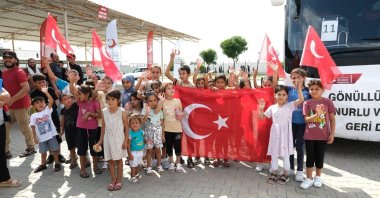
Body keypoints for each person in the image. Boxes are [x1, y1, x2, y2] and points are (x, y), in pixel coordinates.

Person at [259, 83, 304, 185]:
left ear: (287, 96)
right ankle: (274, 173)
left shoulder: (290, 105)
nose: (281, 97)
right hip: (275, 134)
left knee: (286, 155)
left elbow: (301, 100)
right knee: (274, 154)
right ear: (275, 95)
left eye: (284, 94)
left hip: (286, 135)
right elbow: (262, 117)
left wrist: (299, 88)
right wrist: (261, 109)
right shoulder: (272, 107)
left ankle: (286, 174)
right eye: (279, 94)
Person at [300, 80, 336, 189]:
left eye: (317, 89)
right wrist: (317, 114)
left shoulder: (328, 102)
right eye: (311, 89)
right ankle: (309, 178)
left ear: (322, 90)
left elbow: (332, 119)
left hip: (323, 136)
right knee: (310, 157)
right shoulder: (307, 103)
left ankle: (318, 177)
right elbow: (306, 120)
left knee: (320, 157)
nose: (314, 91)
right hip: (309, 135)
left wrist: (332, 134)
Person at [2, 51, 36, 158]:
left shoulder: (19, 72)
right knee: (5, 128)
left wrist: (12, 99)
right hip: (8, 106)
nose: (7, 60)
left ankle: (31, 148)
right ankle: (6, 151)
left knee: (24, 127)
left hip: (21, 105)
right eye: (5, 58)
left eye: (10, 58)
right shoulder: (4, 72)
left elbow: (26, 89)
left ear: (15, 60)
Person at [69, 76, 102, 178]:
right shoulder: (79, 101)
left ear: (87, 94)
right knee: (82, 149)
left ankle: (95, 167)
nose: (78, 96)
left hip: (92, 129)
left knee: (94, 148)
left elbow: (99, 115)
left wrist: (89, 113)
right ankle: (82, 169)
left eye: (80, 94)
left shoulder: (95, 102)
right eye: (77, 94)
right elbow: (72, 90)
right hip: (81, 128)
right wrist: (71, 81)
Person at [96, 90, 128, 191]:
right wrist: (100, 140)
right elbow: (103, 128)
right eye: (108, 99)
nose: (110, 101)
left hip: (119, 139)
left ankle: (119, 179)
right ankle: (113, 179)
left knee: (118, 160)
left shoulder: (121, 111)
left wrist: (126, 141)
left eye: (113, 99)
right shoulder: (104, 111)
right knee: (110, 161)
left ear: (118, 100)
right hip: (108, 140)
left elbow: (126, 128)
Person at [30, 74, 66, 164]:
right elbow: (33, 108)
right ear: (34, 83)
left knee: (56, 134)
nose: (42, 84)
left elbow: (55, 101)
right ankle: (51, 155)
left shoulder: (49, 89)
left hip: (53, 115)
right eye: (39, 82)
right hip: (42, 119)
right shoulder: (33, 94)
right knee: (47, 135)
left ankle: (59, 154)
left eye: (43, 81)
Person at [30, 86, 61, 173]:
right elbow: (32, 127)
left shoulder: (47, 110)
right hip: (41, 138)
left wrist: (46, 92)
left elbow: (51, 100)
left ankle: (57, 163)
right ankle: (43, 165)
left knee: (55, 150)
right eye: (37, 102)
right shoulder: (33, 116)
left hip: (51, 135)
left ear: (45, 103)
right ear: (34, 105)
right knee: (43, 152)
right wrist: (34, 138)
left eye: (42, 102)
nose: (40, 104)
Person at [287, 68, 310, 181]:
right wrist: (275, 72)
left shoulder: (309, 91)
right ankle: (291, 168)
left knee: (300, 147)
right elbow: (274, 86)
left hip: (302, 124)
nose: (295, 79)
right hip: (291, 123)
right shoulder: (288, 90)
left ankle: (300, 170)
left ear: (304, 78)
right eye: (293, 77)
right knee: (290, 146)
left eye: (298, 77)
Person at [156, 83, 184, 172]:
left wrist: (180, 114)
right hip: (167, 129)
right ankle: (171, 163)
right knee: (168, 147)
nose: (172, 90)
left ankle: (178, 163)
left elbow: (181, 113)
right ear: (164, 92)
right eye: (168, 88)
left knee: (177, 146)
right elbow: (156, 111)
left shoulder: (177, 101)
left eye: (172, 88)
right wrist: (161, 100)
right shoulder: (162, 102)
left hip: (177, 129)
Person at [0, 87, 22, 187]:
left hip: (0, 123)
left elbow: (7, 97)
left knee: (1, 152)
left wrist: (3, 100)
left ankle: (3, 179)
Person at [142, 93, 164, 175]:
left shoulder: (159, 111)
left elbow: (162, 124)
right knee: (149, 151)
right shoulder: (145, 109)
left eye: (155, 100)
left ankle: (159, 165)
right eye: (150, 101)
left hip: (158, 135)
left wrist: (163, 135)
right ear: (147, 102)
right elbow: (143, 121)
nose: (153, 102)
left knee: (158, 150)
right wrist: (147, 113)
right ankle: (148, 167)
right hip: (149, 136)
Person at [60, 93, 79, 169]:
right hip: (68, 131)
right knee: (71, 146)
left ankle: (85, 160)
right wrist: (62, 130)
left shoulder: (75, 106)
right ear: (61, 102)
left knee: (80, 146)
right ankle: (73, 160)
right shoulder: (63, 110)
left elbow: (77, 97)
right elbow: (63, 119)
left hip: (78, 130)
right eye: (65, 99)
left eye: (69, 98)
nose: (68, 100)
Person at [127, 115, 145, 183]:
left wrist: (147, 141)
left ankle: (136, 174)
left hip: (140, 151)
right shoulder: (130, 133)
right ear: (130, 125)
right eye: (133, 123)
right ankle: (132, 176)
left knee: (137, 164)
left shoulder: (141, 132)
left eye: (136, 123)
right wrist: (129, 154)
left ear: (140, 124)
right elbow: (128, 145)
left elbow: (143, 139)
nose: (135, 124)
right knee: (133, 165)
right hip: (133, 152)